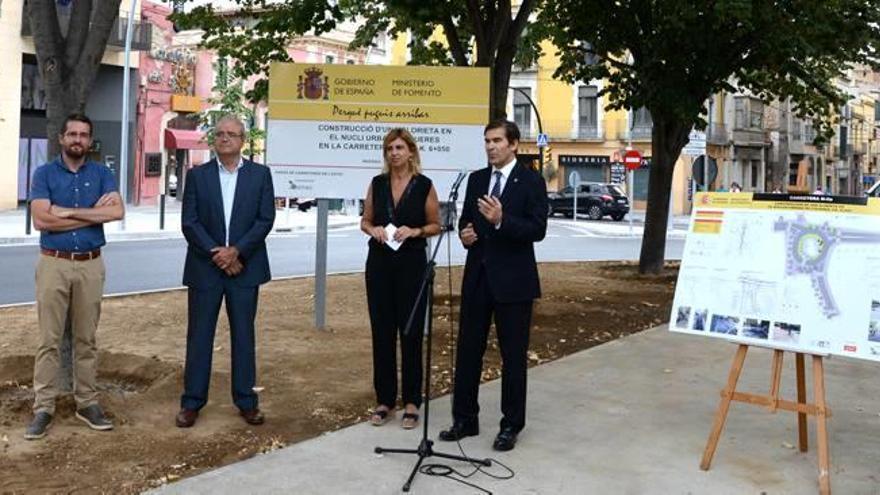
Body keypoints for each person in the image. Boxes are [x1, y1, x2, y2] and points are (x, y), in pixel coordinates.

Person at [439, 120, 548, 451]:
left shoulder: (531, 181)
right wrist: (465, 234)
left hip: (514, 283)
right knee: (468, 351)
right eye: (487, 141)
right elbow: (465, 221)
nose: (490, 146)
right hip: (478, 278)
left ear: (513, 144)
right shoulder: (476, 180)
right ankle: (465, 419)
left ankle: (511, 424)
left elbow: (537, 229)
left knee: (512, 357)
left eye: (497, 141)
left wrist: (502, 220)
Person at [25, 113, 125, 439]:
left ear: (89, 140)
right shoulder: (44, 174)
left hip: (90, 265)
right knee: (48, 341)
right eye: (72, 134)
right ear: (62, 139)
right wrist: (92, 216)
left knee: (86, 339)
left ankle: (87, 403)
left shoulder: (102, 173)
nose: (77, 140)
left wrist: (65, 211)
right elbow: (41, 220)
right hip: (53, 263)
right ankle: (43, 408)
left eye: (83, 135)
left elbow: (117, 212)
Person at [176, 115, 275, 428]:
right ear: (213, 140)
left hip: (245, 269)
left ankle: (246, 401)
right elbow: (189, 222)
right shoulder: (198, 176)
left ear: (243, 140)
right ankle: (192, 402)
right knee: (199, 337)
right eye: (219, 134)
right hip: (205, 268)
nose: (224, 139)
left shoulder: (260, 175)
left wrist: (237, 251)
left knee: (244, 336)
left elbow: (265, 219)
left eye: (231, 134)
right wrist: (218, 254)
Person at [360, 128, 441, 429]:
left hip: (411, 264)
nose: (394, 153)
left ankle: (411, 401)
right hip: (379, 263)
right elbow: (365, 220)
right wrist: (374, 230)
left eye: (399, 147)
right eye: (389, 148)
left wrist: (415, 231)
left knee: (410, 333)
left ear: (410, 152)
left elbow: (436, 224)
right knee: (382, 332)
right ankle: (384, 400)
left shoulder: (424, 185)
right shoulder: (377, 184)